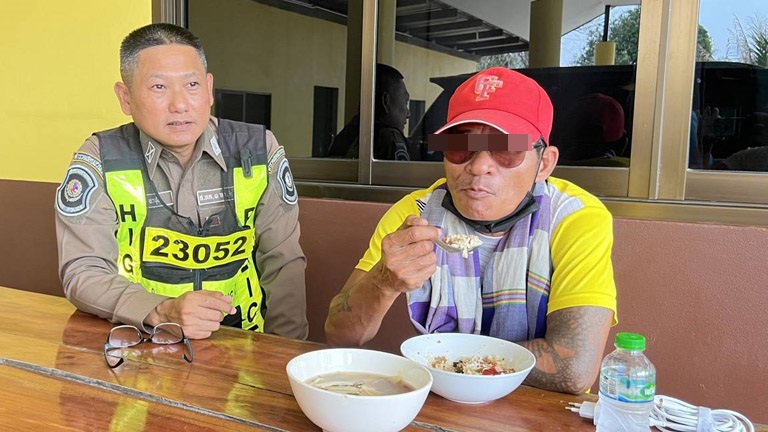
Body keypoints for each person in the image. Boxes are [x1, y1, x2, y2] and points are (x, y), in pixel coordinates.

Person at [325, 67, 617, 394]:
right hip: (444, 401)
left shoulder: (574, 218)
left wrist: (449, 361)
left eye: (506, 148)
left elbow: (573, 369)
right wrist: (383, 282)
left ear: (544, 164)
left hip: (538, 408)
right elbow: (340, 335)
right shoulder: (415, 215)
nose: (478, 166)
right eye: (461, 145)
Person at [54, 23, 308, 340]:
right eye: (159, 87)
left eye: (192, 84)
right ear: (125, 97)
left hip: (242, 342)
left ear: (209, 88)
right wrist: (161, 310)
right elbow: (83, 271)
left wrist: (285, 352)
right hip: (140, 339)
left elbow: (283, 263)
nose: (180, 104)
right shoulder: (101, 158)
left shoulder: (257, 150)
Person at [326, 63, 411, 160]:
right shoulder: (390, 138)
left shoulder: (347, 134)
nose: (408, 113)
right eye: (405, 102)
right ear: (385, 102)